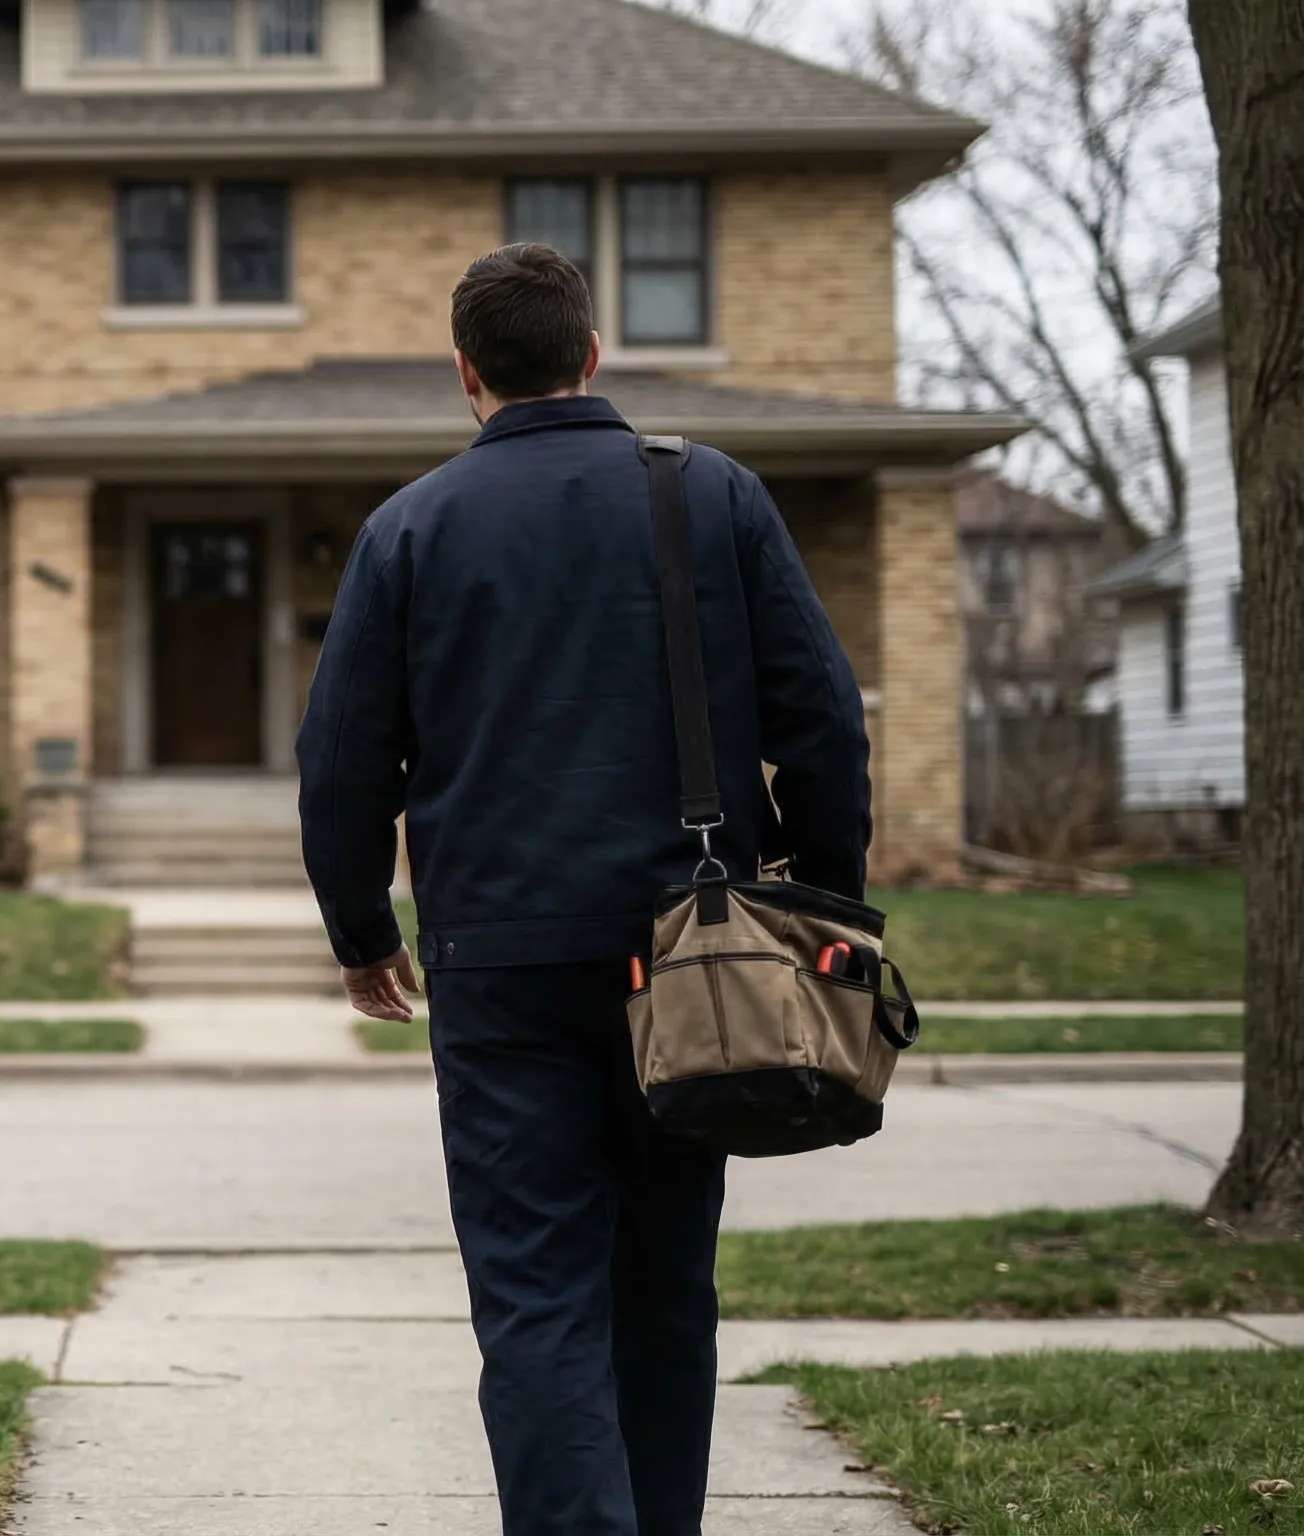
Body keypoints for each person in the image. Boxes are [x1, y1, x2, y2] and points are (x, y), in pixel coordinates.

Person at [295, 243, 873, 1536]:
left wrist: (357, 930)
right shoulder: (709, 496)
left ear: (466, 374)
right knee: (665, 1283)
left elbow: (340, 760)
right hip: (697, 955)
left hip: (498, 968)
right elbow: (825, 722)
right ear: (592, 357)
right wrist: (828, 902)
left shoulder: (410, 528)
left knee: (537, 1296)